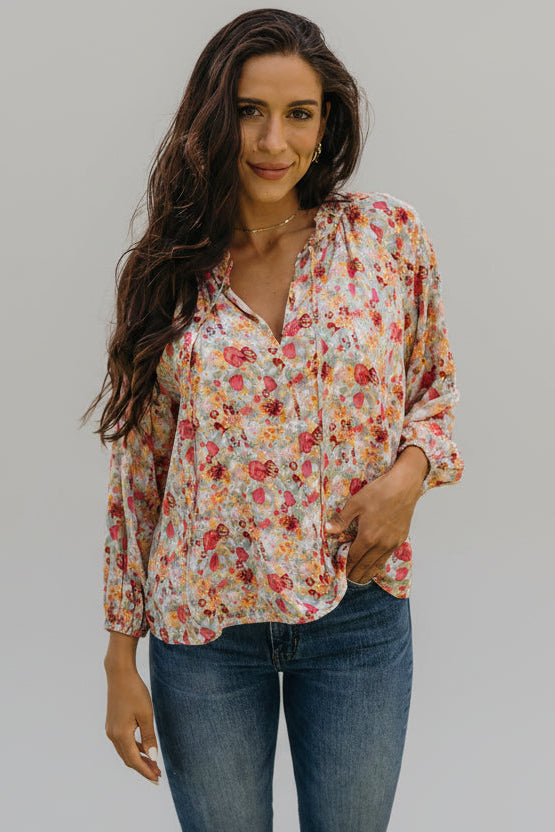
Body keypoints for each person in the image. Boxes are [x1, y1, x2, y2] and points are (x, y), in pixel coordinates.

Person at [85, 8, 464, 831]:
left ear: (326, 121)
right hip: (204, 632)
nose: (272, 141)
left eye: (299, 113)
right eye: (250, 110)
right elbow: (138, 472)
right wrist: (121, 656)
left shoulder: (386, 237)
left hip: (354, 616)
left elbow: (433, 389)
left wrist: (408, 477)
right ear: (213, 115)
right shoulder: (166, 272)